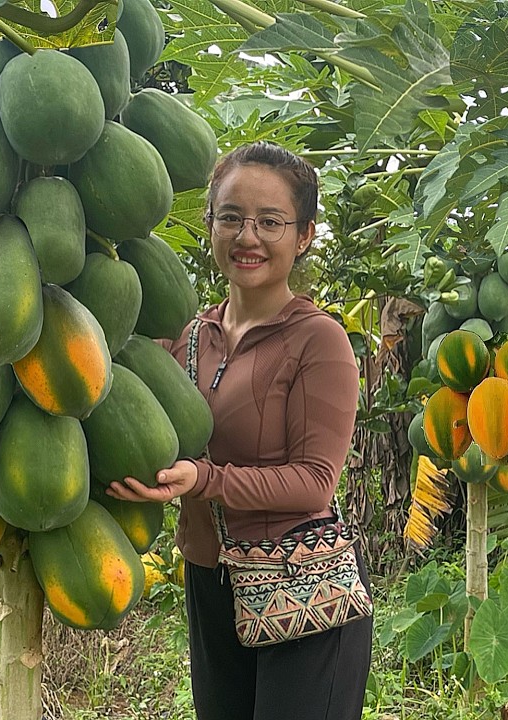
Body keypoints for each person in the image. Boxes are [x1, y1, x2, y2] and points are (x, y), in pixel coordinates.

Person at [106, 141, 372, 720]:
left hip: (300, 591)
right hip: (211, 582)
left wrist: (203, 480)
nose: (247, 236)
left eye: (270, 222)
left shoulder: (318, 340)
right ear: (210, 225)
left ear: (303, 236)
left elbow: (314, 483)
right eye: (231, 217)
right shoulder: (188, 337)